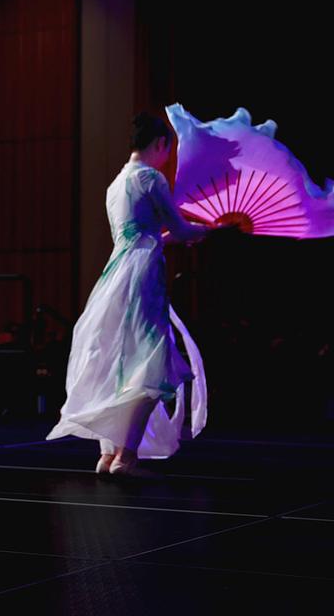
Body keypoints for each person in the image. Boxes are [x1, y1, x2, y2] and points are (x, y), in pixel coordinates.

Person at [47, 112, 227, 475]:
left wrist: (178, 235)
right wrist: (211, 229)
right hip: (144, 274)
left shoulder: (116, 184)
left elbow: (142, 234)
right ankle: (126, 456)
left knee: (119, 359)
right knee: (151, 362)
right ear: (160, 144)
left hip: (116, 272)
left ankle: (108, 454)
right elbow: (177, 228)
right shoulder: (151, 178)